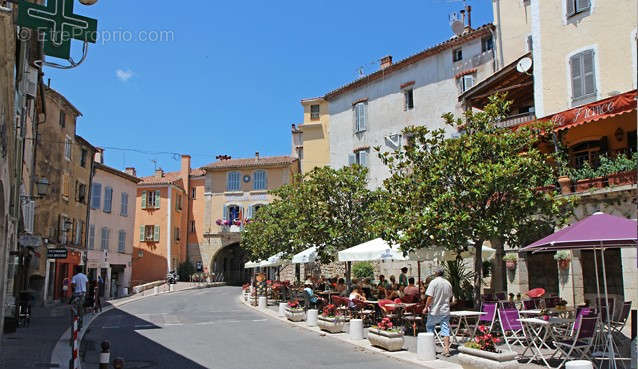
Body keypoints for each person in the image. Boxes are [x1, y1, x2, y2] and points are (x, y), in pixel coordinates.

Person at [423, 267, 453, 357]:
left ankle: (431, 348)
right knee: (445, 329)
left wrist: (425, 307)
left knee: (430, 327)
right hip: (445, 310)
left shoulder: (433, 282)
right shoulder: (448, 283)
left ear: (436, 273)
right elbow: (450, 296)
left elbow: (430, 297)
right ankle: (447, 349)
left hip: (435, 310)